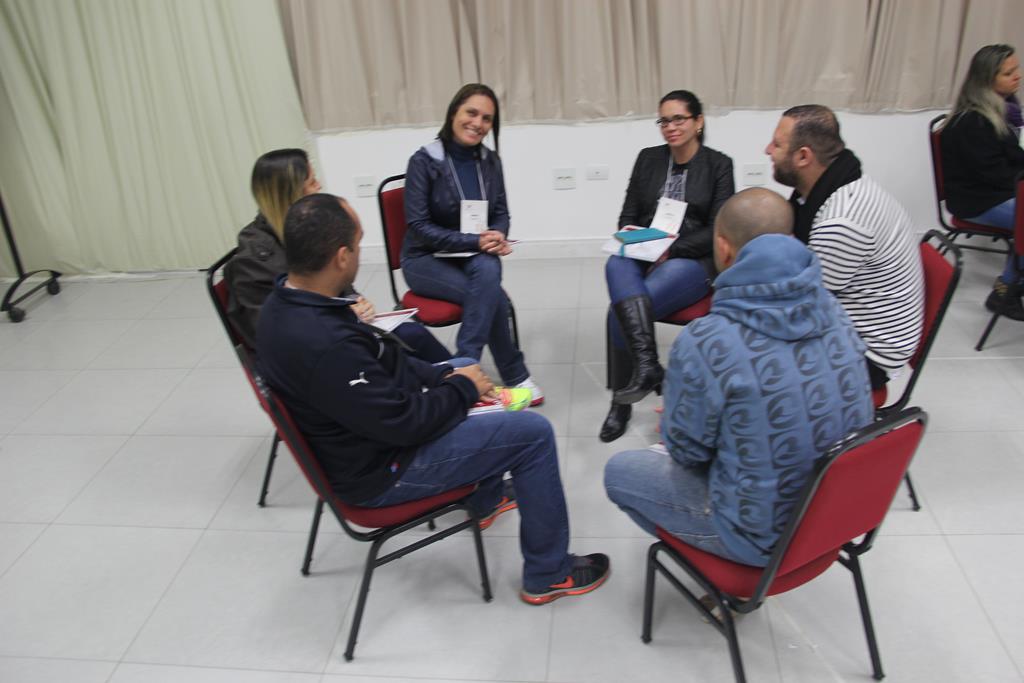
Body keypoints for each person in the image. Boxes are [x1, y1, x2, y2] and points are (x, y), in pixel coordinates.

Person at [256, 192, 610, 604]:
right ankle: (549, 573)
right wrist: (461, 389)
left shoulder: (284, 303)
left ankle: (486, 498)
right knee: (533, 434)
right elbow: (406, 424)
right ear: (340, 257)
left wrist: (443, 375)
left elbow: (382, 364)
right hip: (384, 470)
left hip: (370, 434)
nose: (359, 255)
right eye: (358, 244)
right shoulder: (326, 344)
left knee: (462, 363)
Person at [604, 189, 873, 566]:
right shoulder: (835, 312)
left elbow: (687, 453)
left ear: (723, 247)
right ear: (789, 239)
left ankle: (717, 569)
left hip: (759, 538)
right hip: (835, 516)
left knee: (618, 473)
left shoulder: (707, 340)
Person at [224, 148, 450, 362]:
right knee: (406, 356)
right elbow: (278, 335)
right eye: (312, 181)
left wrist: (356, 301)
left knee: (413, 334)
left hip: (335, 331)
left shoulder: (307, 229)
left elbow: (336, 282)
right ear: (290, 193)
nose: (319, 186)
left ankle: (460, 376)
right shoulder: (252, 263)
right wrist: (344, 313)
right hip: (315, 355)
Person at [600, 90, 735, 443]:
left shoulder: (719, 165)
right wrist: (635, 236)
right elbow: (628, 213)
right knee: (616, 263)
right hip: (645, 249)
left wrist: (671, 249)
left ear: (698, 122)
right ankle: (647, 366)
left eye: (678, 119)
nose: (670, 127)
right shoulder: (648, 159)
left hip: (691, 258)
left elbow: (718, 228)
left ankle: (622, 400)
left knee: (618, 314)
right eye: (664, 120)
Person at [402, 84, 543, 405]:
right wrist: (476, 241)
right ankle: (508, 375)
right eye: (471, 113)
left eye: (487, 118)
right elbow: (419, 227)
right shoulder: (424, 161)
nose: (478, 123)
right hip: (424, 258)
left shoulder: (490, 161)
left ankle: (462, 371)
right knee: (492, 296)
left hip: (470, 254)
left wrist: (496, 236)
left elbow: (501, 212)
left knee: (488, 268)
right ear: (454, 112)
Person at [765, 105, 923, 391]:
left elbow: (804, 306)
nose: (767, 150)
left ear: (803, 157)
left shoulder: (840, 222)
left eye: (777, 144)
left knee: (745, 358)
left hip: (868, 354)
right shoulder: (829, 187)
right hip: (852, 323)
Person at [941, 44, 1024, 318]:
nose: (1017, 76)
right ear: (987, 79)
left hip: (997, 190)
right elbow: (995, 175)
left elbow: (1010, 159)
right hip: (978, 200)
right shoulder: (973, 121)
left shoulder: (1005, 110)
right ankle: (1005, 292)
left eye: (1016, 69)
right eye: (1008, 73)